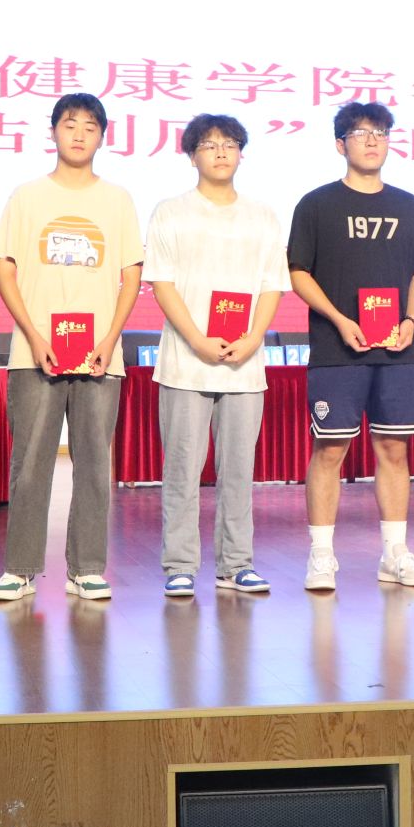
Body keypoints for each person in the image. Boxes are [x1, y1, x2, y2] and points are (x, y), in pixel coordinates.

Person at [0, 93, 144, 602]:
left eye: (90, 126)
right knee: (31, 461)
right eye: (70, 124)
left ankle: (87, 568)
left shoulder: (117, 200)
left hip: (100, 353)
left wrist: (110, 339)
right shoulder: (27, 196)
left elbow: (130, 276)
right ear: (52, 131)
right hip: (34, 352)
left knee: (95, 463)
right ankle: (20, 568)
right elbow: (4, 269)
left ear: (103, 137)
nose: (79, 134)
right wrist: (34, 336)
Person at [287, 101, 414, 592]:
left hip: (398, 351)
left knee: (394, 448)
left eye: (381, 133)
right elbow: (298, 272)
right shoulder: (316, 204)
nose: (372, 141)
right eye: (360, 133)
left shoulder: (411, 206)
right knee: (330, 449)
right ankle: (321, 554)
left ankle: (394, 553)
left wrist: (412, 320)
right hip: (337, 349)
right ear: (340, 145)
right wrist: (338, 319)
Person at [144, 113, 289, 597]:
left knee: (239, 471)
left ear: (242, 153)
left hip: (245, 364)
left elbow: (272, 284)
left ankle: (236, 564)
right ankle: (180, 564)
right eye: (209, 145)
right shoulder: (171, 211)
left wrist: (254, 338)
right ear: (192, 157)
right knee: (182, 469)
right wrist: (196, 339)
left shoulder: (263, 216)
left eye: (230, 143)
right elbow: (162, 283)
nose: (221, 151)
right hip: (186, 362)